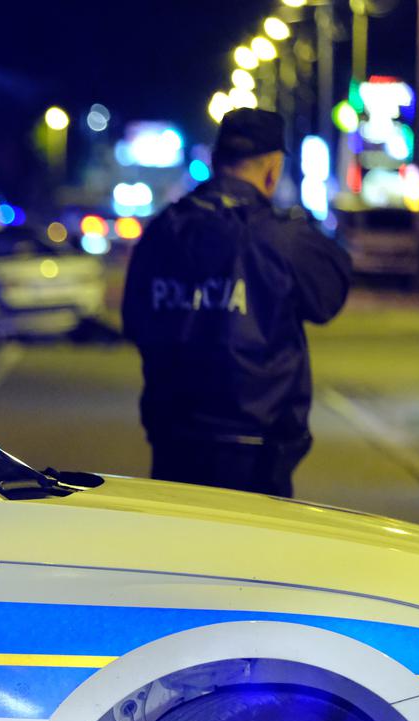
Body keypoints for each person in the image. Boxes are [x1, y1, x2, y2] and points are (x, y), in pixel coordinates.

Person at [122, 108, 351, 497]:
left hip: (174, 440)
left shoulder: (162, 230)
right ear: (272, 170)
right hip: (257, 448)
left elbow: (135, 320)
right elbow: (330, 295)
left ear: (215, 161)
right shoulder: (284, 240)